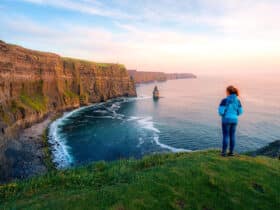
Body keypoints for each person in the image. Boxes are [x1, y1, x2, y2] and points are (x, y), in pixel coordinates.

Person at [218, 86, 243, 157]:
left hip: (226, 120)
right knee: (232, 136)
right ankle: (231, 152)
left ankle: (224, 153)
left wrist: (224, 114)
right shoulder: (238, 101)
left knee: (226, 136)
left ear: (228, 92)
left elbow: (221, 112)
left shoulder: (224, 100)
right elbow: (240, 112)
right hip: (234, 120)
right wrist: (235, 114)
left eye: (226, 91)